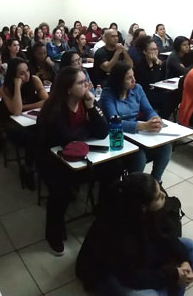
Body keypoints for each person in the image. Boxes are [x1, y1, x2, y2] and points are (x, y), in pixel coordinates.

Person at [37, 67, 144, 255]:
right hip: (54, 160)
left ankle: (102, 213)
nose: (87, 85)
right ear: (68, 89)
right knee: (60, 189)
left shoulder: (86, 101)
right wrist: (87, 130)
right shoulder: (54, 108)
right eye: (81, 83)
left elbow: (102, 131)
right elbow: (66, 138)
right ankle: (53, 231)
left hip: (82, 156)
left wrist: (91, 108)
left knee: (113, 169)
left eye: (86, 81)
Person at [76, 173, 193, 296]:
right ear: (143, 207)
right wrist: (173, 274)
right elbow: (132, 277)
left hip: (139, 257)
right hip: (107, 273)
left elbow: (167, 234)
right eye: (158, 197)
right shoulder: (119, 230)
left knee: (191, 248)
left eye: (160, 189)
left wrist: (184, 261)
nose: (163, 195)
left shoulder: (147, 207)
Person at [100, 63, 171, 183]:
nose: (134, 80)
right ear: (119, 81)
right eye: (129, 78)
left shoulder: (137, 89)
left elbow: (148, 110)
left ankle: (155, 182)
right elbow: (114, 122)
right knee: (139, 156)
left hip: (137, 134)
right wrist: (143, 126)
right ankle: (133, 187)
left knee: (166, 147)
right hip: (118, 136)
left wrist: (155, 119)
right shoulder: (108, 94)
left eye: (133, 76)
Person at [2, 57, 49, 189]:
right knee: (33, 138)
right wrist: (17, 86)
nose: (26, 75)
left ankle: (44, 166)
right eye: (21, 74)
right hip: (14, 124)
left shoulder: (35, 80)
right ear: (13, 75)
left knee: (46, 132)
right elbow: (16, 111)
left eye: (27, 71)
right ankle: (27, 169)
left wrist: (25, 107)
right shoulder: (6, 88)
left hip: (33, 120)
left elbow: (47, 101)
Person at [134, 37, 176, 119]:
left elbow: (162, 79)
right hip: (144, 92)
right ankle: (160, 118)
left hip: (156, 90)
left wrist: (158, 64)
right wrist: (153, 66)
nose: (155, 51)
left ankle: (162, 117)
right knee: (167, 99)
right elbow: (149, 82)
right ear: (145, 52)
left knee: (173, 95)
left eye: (156, 49)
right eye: (152, 49)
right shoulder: (140, 65)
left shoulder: (156, 62)